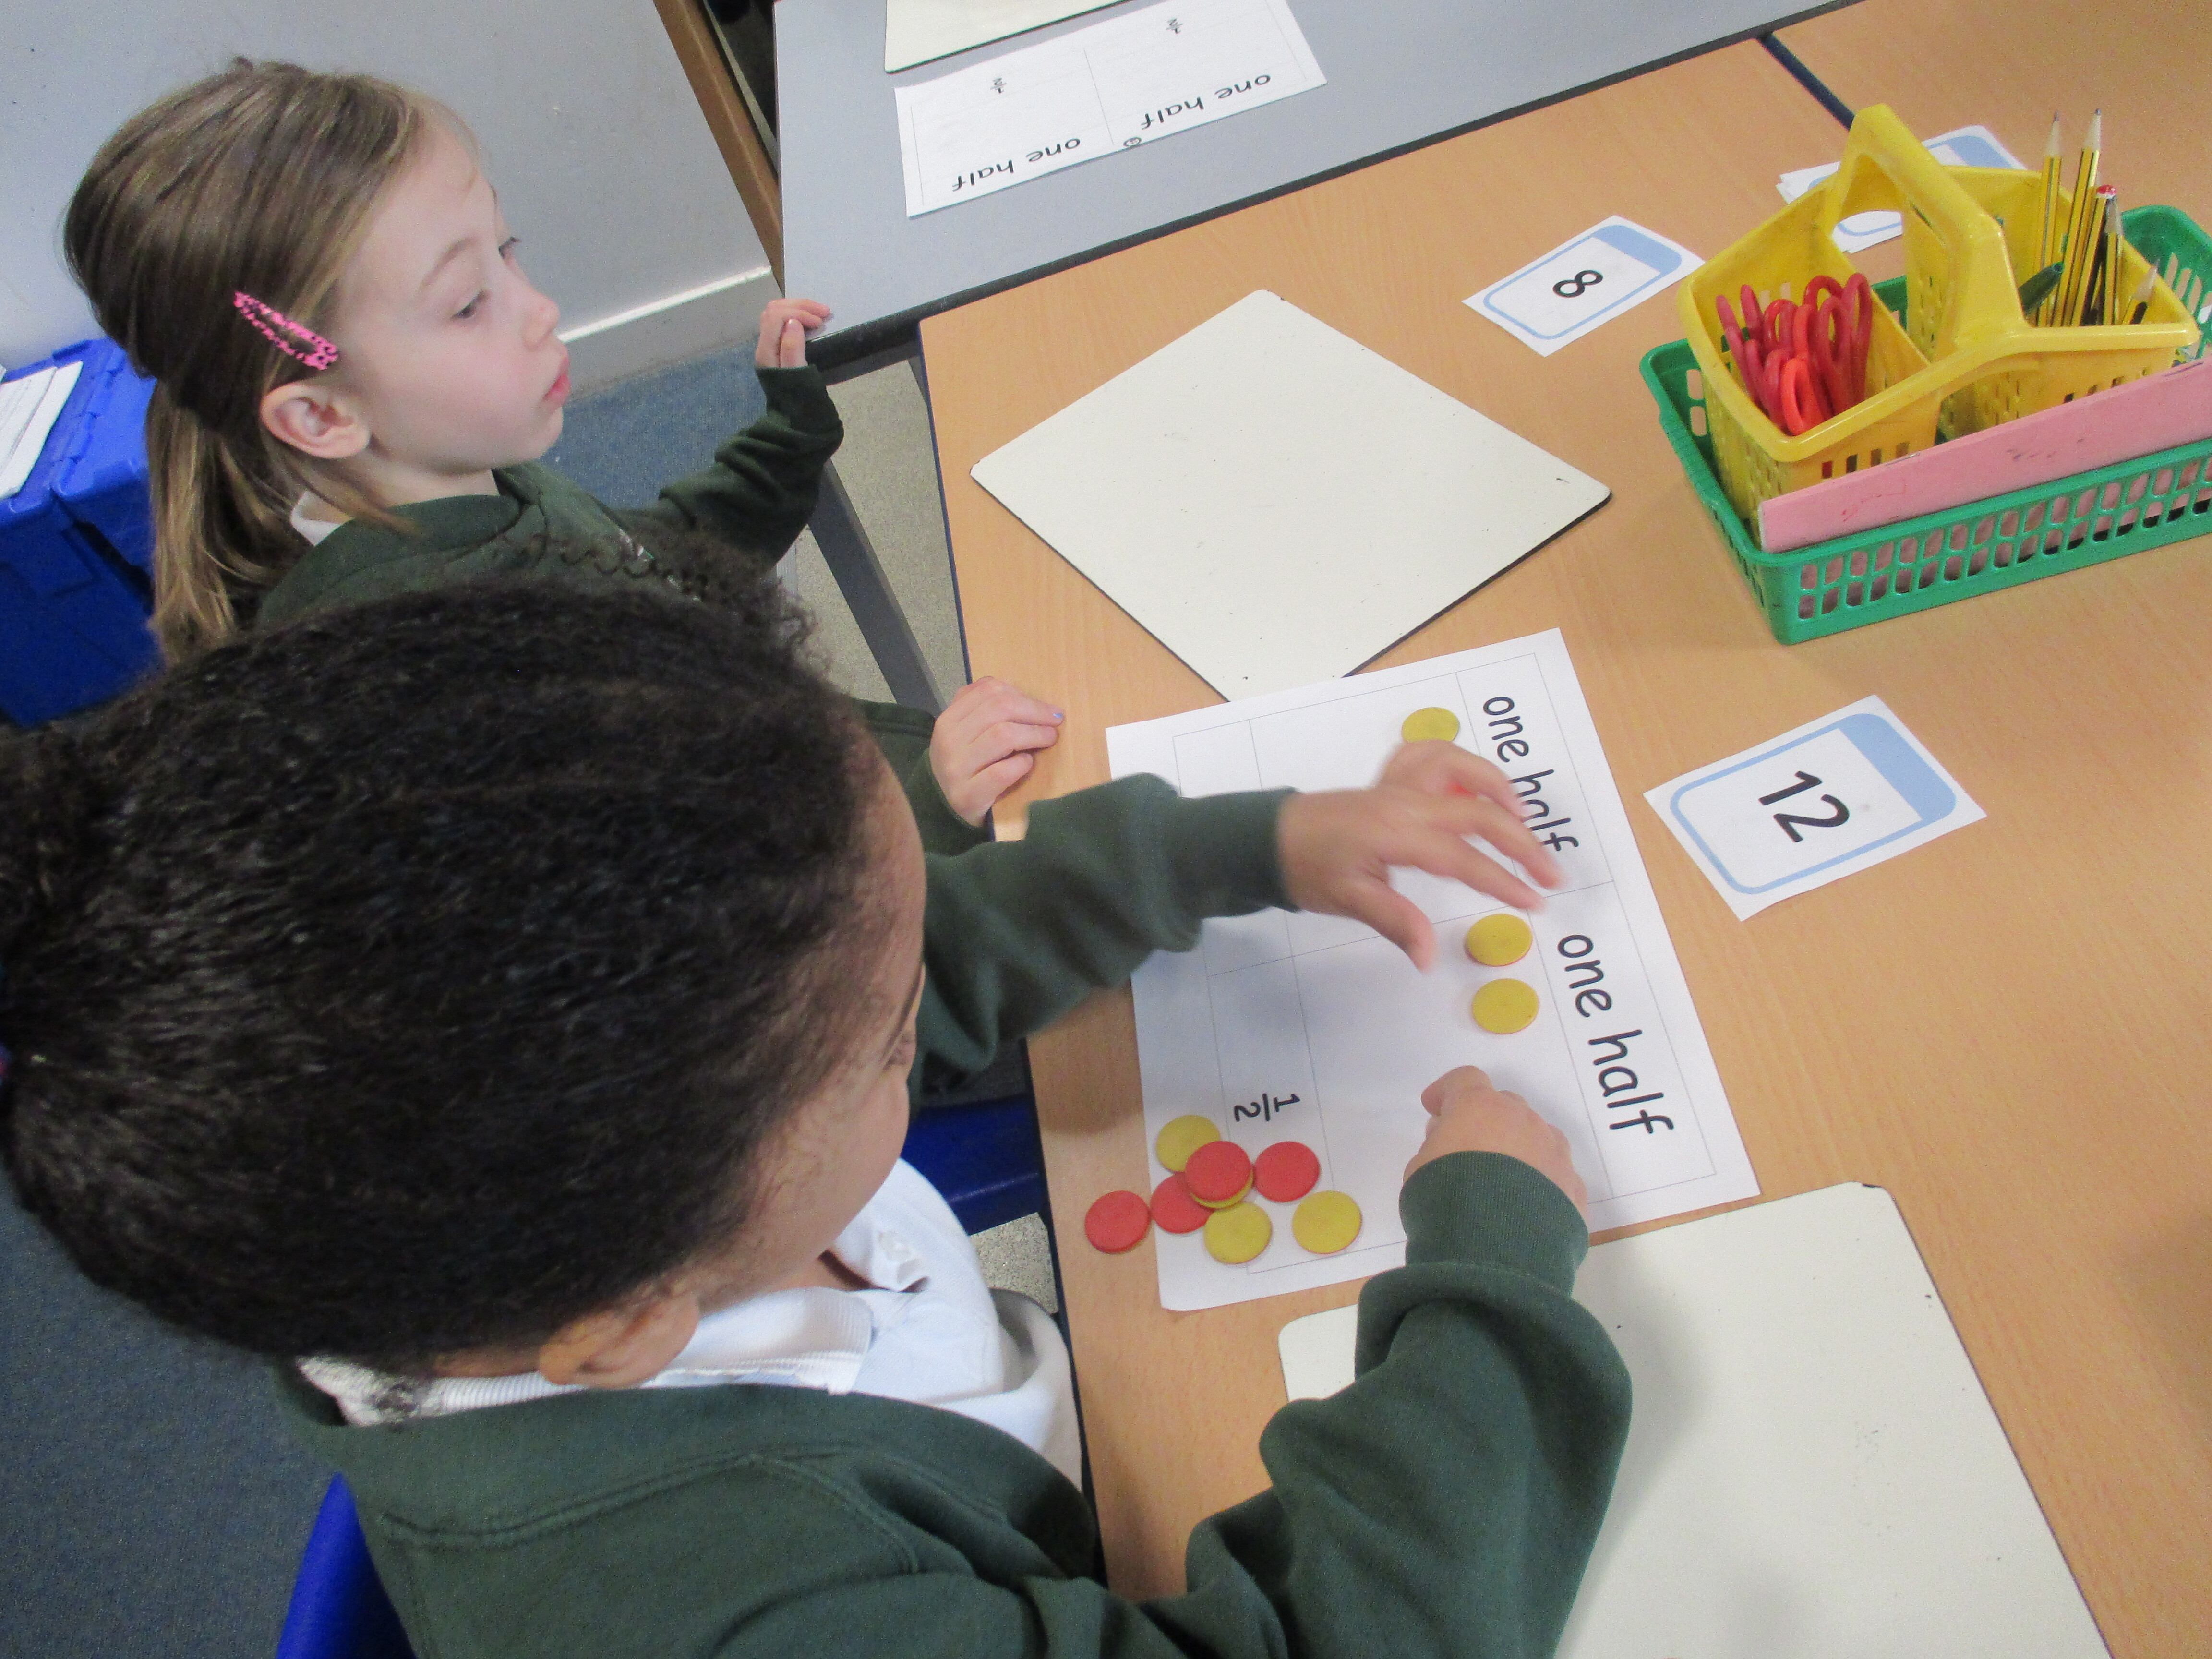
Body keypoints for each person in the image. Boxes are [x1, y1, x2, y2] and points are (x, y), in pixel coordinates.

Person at [0, 579, 1629, 1659]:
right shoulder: (737, 1610)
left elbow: (905, 953)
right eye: (887, 1043)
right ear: (628, 1323)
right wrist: (1490, 1264)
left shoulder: (519, 1189)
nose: (922, 999)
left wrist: (1246, 844)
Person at [63, 57, 1055, 844]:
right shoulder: (458, 682)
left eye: (506, 250)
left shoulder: (459, 483)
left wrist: (785, 437)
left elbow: (648, 565)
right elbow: (721, 917)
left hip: (864, 786)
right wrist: (929, 814)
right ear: (322, 417)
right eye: (467, 303)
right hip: (873, 896)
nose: (538, 310)